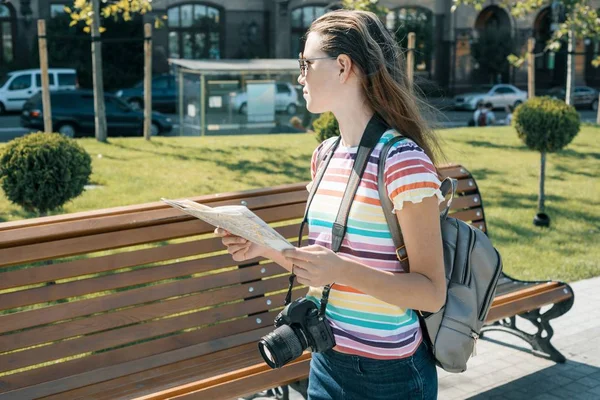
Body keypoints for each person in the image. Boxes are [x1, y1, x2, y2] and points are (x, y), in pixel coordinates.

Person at [216, 10, 446, 400]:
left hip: (389, 373)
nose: (300, 75)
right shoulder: (325, 155)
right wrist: (264, 248)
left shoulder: (402, 161)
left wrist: (342, 269)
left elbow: (430, 292)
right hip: (326, 360)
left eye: (306, 63)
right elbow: (325, 266)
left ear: (342, 66)